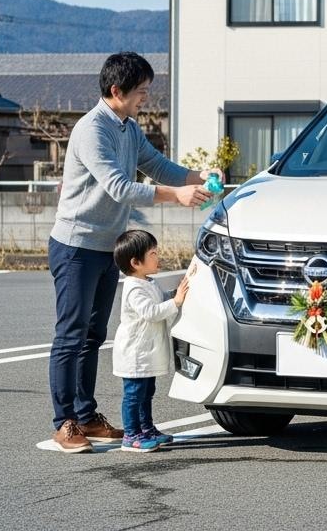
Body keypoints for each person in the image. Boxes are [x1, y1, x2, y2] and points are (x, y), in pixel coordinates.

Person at [47, 51, 219, 453]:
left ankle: (87, 415)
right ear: (116, 91)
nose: (146, 97)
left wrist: (202, 177)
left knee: (93, 335)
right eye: (141, 91)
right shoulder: (92, 130)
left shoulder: (127, 127)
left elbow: (158, 166)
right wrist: (176, 196)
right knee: (70, 336)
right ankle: (65, 421)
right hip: (75, 245)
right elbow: (120, 187)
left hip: (108, 247)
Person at [112, 229, 192, 452]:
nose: (158, 257)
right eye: (154, 253)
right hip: (135, 354)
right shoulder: (133, 288)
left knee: (146, 393)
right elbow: (151, 312)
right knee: (134, 395)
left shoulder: (147, 282)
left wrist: (177, 293)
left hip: (145, 353)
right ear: (136, 262)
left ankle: (146, 428)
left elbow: (160, 300)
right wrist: (176, 301)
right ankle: (131, 435)